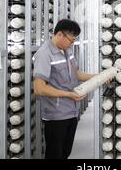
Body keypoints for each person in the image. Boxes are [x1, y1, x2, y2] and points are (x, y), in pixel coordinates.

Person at [33, 19, 100, 159]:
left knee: (65, 153)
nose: (72, 43)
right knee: (55, 155)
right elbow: (39, 88)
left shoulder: (67, 51)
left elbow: (76, 74)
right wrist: (68, 95)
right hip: (56, 116)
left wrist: (99, 77)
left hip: (71, 112)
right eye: (71, 39)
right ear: (60, 34)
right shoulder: (44, 54)